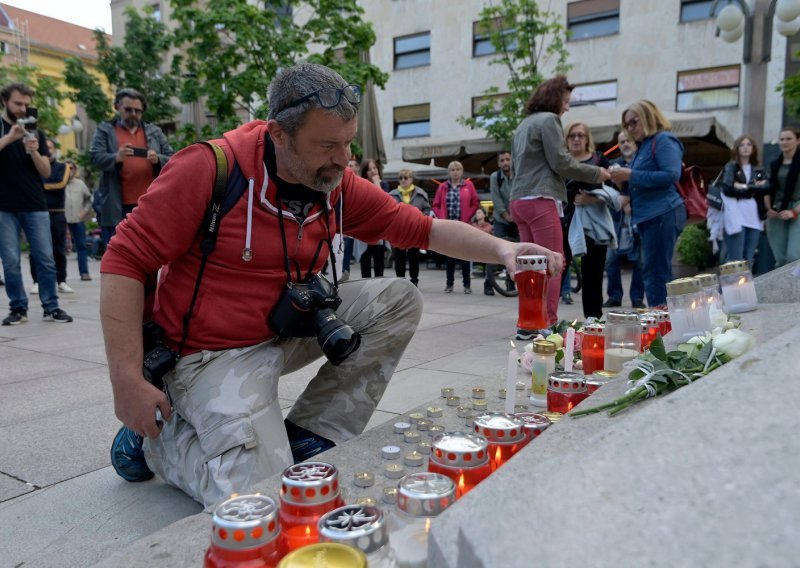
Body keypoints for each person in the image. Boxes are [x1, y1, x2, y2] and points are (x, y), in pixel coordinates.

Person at [100, 62, 566, 507]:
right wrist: (126, 381)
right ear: (278, 134)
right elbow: (123, 259)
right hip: (208, 353)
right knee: (261, 496)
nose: (344, 160)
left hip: (282, 330)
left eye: (348, 143)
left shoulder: (334, 182)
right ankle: (155, 447)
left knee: (397, 299)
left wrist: (504, 249)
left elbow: (423, 229)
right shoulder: (209, 168)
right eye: (328, 146)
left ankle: (308, 436)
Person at [509, 76, 609, 332]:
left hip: (519, 200)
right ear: (554, 99)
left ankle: (528, 323)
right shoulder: (549, 121)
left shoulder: (523, 125)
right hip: (541, 198)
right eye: (565, 101)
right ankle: (548, 323)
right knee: (553, 261)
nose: (567, 107)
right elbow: (561, 163)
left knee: (529, 264)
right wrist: (596, 173)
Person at [0, 83, 73, 325]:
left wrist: (33, 151)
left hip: (35, 203)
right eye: (17, 103)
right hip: (4, 206)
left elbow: (45, 170)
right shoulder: (3, 129)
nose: (22, 109)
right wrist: (9, 138)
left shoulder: (36, 132)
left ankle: (51, 307)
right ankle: (18, 308)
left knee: (45, 258)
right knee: (10, 260)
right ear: (5, 102)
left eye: (26, 104)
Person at [610, 100, 686, 307]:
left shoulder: (663, 140)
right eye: (627, 125)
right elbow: (638, 183)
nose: (630, 128)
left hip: (662, 212)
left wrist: (631, 174)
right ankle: (665, 321)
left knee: (655, 273)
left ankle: (661, 326)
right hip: (650, 215)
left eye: (634, 122)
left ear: (648, 117)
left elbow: (671, 174)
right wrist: (622, 181)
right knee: (654, 271)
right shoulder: (644, 146)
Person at [90, 88, 174, 245]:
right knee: (119, 252)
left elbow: (172, 159)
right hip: (117, 206)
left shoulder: (154, 131)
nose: (134, 114)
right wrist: (116, 157)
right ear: (117, 107)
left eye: (138, 110)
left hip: (149, 204)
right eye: (128, 109)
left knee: (149, 251)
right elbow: (95, 158)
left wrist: (158, 159)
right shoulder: (105, 130)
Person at [562, 121, 615, 319]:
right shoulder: (561, 161)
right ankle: (547, 316)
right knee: (558, 267)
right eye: (572, 135)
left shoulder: (599, 159)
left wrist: (591, 199)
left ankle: (593, 317)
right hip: (565, 220)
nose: (576, 139)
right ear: (566, 140)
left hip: (594, 222)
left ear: (587, 139)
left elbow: (614, 191)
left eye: (580, 135)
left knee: (593, 270)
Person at [604, 131, 645, 309]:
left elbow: (645, 187)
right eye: (622, 142)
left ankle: (637, 298)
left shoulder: (642, 163)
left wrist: (630, 200)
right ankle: (614, 296)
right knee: (611, 259)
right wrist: (623, 198)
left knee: (641, 260)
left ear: (635, 143)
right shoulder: (614, 166)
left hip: (640, 217)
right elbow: (607, 192)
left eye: (628, 140)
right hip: (616, 219)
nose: (625, 144)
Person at [29, 139, 73, 295]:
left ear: (54, 149)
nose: (47, 150)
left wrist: (37, 185)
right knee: (35, 250)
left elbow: (60, 183)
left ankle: (61, 280)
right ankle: (36, 281)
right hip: (36, 212)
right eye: (45, 148)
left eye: (50, 147)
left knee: (59, 249)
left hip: (56, 213)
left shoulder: (63, 167)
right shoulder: (33, 166)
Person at [719, 134, 770, 265]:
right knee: (735, 258)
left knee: (749, 257)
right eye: (742, 145)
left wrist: (743, 186)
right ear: (737, 148)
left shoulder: (758, 169)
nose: (746, 147)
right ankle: (728, 286)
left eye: (749, 144)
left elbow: (766, 189)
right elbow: (727, 189)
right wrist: (753, 188)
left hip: (755, 217)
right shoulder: (731, 167)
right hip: (736, 216)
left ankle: (746, 286)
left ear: (753, 148)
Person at [432, 161, 479, 293]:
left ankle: (467, 285)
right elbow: (435, 205)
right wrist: (441, 217)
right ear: (449, 172)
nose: (455, 172)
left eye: (458, 169)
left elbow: (475, 203)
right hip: (448, 226)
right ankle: (449, 284)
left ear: (462, 171)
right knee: (450, 257)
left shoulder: (468, 185)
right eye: (452, 169)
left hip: (464, 225)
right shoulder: (442, 187)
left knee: (465, 255)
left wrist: (468, 215)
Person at [389, 169, 431, 286]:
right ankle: (400, 280)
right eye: (401, 178)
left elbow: (427, 210)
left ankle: (414, 280)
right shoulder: (392, 194)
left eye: (406, 178)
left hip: (414, 230)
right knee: (399, 257)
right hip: (399, 231)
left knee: (414, 257)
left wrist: (420, 220)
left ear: (411, 179)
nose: (403, 180)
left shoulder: (420, 193)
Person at [765, 126, 800, 268]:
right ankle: (782, 290)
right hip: (777, 210)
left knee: (794, 256)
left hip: (797, 208)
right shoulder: (774, 165)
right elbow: (767, 189)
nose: (784, 142)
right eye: (781, 139)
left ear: (798, 141)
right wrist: (768, 208)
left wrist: (794, 211)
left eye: (788, 139)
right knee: (780, 259)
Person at [487, 151, 516, 296]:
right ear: (498, 163)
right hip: (501, 219)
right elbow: (496, 199)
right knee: (496, 251)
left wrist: (516, 216)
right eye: (502, 160)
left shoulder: (519, 175)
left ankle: (511, 283)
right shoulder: (495, 177)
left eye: (507, 159)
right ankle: (488, 283)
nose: (505, 162)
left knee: (516, 252)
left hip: (517, 219)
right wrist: (506, 215)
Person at [356, 159, 389, 277]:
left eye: (374, 168)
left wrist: (377, 183)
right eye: (369, 169)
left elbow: (384, 202)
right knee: (365, 260)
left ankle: (379, 289)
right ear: (365, 172)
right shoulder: (360, 184)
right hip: (364, 228)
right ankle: (366, 289)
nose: (373, 171)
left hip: (378, 228)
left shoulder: (383, 184)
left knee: (379, 261)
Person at [64, 159, 94, 281]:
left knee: (81, 245)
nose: (69, 171)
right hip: (62, 219)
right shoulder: (59, 183)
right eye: (66, 168)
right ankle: (61, 277)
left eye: (71, 168)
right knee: (60, 248)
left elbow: (88, 198)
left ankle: (84, 272)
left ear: (75, 170)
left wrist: (85, 211)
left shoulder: (80, 184)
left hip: (77, 219)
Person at [340, 157, 360, 281]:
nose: (350, 167)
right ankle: (344, 271)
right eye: (349, 165)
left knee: (349, 248)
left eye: (353, 165)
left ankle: (345, 270)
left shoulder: (360, 182)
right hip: (345, 219)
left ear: (357, 167)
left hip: (357, 220)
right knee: (345, 248)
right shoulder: (344, 181)